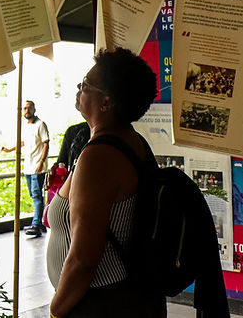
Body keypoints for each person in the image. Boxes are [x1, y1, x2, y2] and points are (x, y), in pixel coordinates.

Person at [46, 48, 166, 317]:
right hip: (130, 297)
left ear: (107, 102)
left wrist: (56, 310)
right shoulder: (133, 142)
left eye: (86, 84)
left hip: (101, 302)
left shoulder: (99, 157)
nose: (79, 90)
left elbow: (83, 259)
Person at [3, 100, 50, 236]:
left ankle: (36, 224)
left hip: (38, 167)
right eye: (24, 108)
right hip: (28, 167)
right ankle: (40, 224)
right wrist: (10, 150)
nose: (27, 111)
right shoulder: (25, 126)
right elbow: (23, 142)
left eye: (29, 108)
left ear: (34, 110)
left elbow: (46, 143)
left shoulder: (40, 124)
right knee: (34, 195)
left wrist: (41, 162)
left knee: (36, 196)